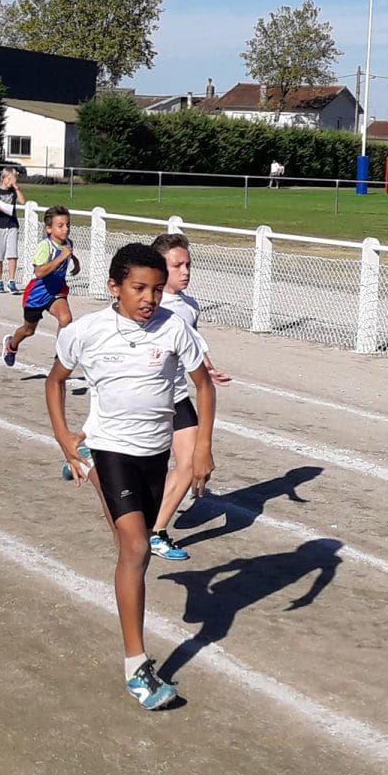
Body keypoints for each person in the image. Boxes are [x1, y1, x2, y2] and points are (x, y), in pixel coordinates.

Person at [45, 242, 216, 710]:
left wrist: (201, 446)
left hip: (154, 454)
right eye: (139, 288)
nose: (149, 299)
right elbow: (56, 381)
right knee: (136, 548)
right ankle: (136, 667)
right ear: (113, 287)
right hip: (111, 448)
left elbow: (202, 385)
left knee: (139, 539)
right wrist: (64, 437)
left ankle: (85, 469)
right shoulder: (86, 332)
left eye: (157, 290)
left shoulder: (174, 328)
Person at [147, 232, 232, 561]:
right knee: (139, 463)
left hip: (177, 395)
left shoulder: (190, 305)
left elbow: (191, 344)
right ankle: (92, 450)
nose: (185, 271)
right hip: (147, 396)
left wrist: (206, 367)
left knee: (190, 462)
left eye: (188, 264)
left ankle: (156, 532)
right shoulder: (148, 302)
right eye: (176, 265)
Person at [1, 205, 80, 366]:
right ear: (49, 229)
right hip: (37, 294)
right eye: (61, 226)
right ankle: (11, 345)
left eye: (68, 225)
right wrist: (61, 258)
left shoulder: (67, 243)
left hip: (56, 291)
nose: (66, 229)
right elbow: (39, 272)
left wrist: (75, 261)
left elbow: (68, 254)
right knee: (28, 330)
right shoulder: (45, 246)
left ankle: (60, 356)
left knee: (66, 319)